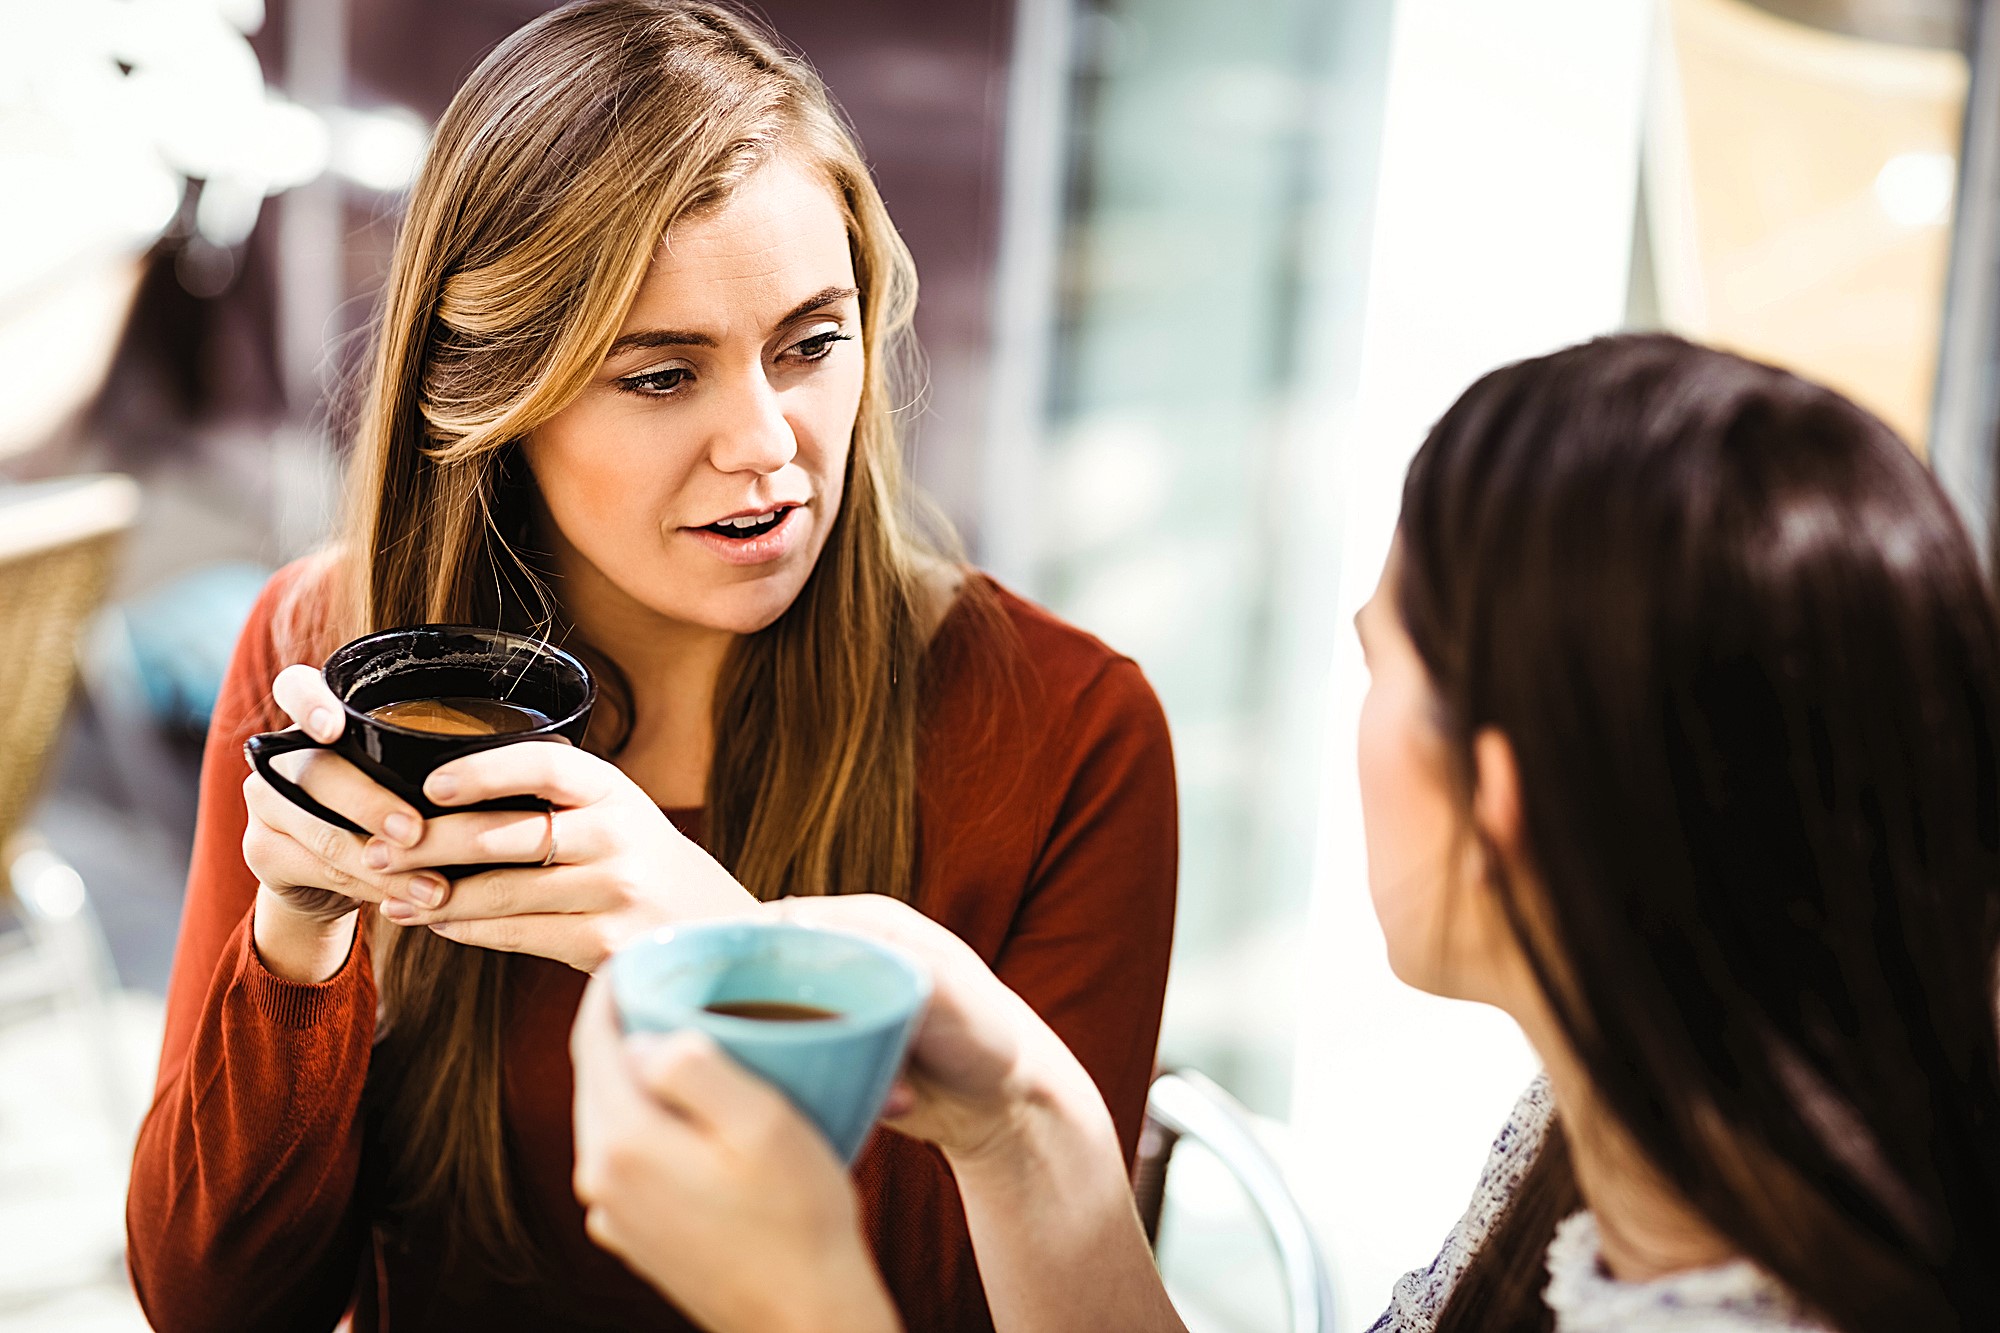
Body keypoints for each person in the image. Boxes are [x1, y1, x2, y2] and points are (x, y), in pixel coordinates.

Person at [571, 334, 2000, 1333]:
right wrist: (1022, 1119)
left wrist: (805, 1305)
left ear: (1498, 801)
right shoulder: (1633, 1129)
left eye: (1382, 666)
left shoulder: (1072, 720)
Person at [123, 3, 1178, 1330]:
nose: (767, 445)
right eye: (665, 375)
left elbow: (970, 1304)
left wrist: (726, 956)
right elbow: (212, 1305)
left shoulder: (1067, 731)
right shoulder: (325, 653)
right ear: (495, 396)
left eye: (811, 343)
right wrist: (299, 945)